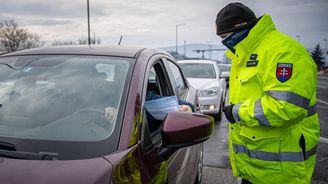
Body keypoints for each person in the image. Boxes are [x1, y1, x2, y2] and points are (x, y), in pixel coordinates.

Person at [216, 3, 320, 184]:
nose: (224, 42)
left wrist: (238, 112)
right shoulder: (245, 53)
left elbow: (286, 107)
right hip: (256, 167)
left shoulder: (284, 52)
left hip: (281, 170)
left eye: (225, 36)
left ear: (241, 28)